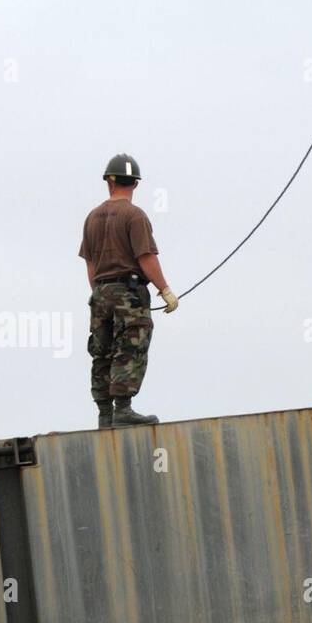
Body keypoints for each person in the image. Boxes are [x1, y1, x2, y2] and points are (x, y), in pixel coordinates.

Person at [79, 153, 178, 429]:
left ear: (109, 182)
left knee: (102, 350)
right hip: (129, 292)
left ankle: (104, 414)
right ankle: (122, 409)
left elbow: (90, 264)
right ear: (135, 184)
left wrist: (100, 292)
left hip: (99, 291)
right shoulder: (135, 216)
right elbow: (146, 257)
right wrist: (165, 290)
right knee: (129, 345)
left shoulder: (91, 218)